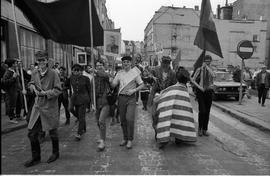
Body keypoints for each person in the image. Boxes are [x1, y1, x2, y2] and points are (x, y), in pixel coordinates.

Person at [24, 51, 62, 167]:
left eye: (43, 60)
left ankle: (55, 153)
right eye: (39, 60)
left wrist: (46, 93)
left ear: (47, 60)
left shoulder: (53, 73)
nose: (41, 62)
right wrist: (30, 87)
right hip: (38, 107)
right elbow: (31, 82)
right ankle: (36, 157)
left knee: (53, 132)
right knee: (31, 133)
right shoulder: (35, 72)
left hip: (49, 107)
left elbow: (58, 90)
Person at [155, 67, 197, 149]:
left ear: (177, 78)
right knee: (182, 120)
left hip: (172, 110)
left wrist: (157, 96)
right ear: (187, 80)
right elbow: (187, 109)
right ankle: (179, 138)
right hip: (180, 112)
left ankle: (165, 138)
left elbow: (162, 95)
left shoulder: (173, 88)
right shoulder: (185, 91)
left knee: (171, 120)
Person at [111, 56, 144, 149]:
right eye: (124, 62)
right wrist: (111, 80)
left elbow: (142, 85)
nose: (125, 63)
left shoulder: (135, 73)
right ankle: (125, 138)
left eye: (127, 62)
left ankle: (130, 139)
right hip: (121, 98)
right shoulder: (119, 73)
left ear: (130, 63)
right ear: (122, 63)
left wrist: (134, 90)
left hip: (131, 98)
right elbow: (113, 85)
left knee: (129, 119)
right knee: (123, 120)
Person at [148, 56, 177, 140]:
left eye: (167, 63)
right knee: (154, 115)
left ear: (169, 63)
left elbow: (175, 85)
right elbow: (147, 74)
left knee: (166, 116)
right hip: (156, 95)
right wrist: (152, 77)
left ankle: (165, 133)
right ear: (161, 62)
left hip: (167, 96)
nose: (165, 64)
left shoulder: (173, 73)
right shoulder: (156, 69)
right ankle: (156, 130)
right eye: (164, 62)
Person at [191, 55, 215, 137]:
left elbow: (214, 75)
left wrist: (207, 68)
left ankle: (205, 129)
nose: (207, 62)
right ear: (203, 61)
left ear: (210, 61)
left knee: (207, 112)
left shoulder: (212, 69)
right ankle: (200, 129)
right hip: (201, 92)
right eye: (206, 61)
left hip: (209, 91)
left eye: (209, 61)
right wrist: (199, 87)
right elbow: (192, 79)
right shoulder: (199, 69)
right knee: (202, 111)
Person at [69, 64, 91, 141]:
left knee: (81, 116)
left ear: (81, 71)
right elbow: (67, 86)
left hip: (83, 98)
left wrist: (90, 102)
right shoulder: (71, 78)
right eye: (74, 70)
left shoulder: (86, 78)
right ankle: (83, 124)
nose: (76, 72)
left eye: (78, 70)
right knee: (70, 109)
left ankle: (79, 133)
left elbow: (89, 90)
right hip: (74, 98)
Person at [93, 60, 112, 151]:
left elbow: (105, 76)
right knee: (97, 121)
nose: (99, 66)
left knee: (101, 121)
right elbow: (91, 90)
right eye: (97, 65)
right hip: (96, 102)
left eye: (100, 65)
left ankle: (102, 141)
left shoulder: (106, 75)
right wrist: (91, 103)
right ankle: (102, 136)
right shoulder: (94, 77)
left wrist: (97, 72)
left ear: (103, 66)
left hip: (106, 101)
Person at [2, 58, 23, 123]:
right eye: (15, 63)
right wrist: (13, 78)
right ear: (12, 64)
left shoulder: (14, 70)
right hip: (11, 92)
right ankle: (11, 118)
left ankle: (18, 116)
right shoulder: (7, 72)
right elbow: (5, 82)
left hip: (17, 90)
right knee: (11, 105)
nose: (16, 64)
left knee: (19, 103)